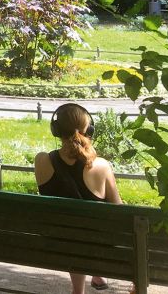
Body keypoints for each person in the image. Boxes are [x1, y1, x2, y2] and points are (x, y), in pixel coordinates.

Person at [34, 103, 125, 294]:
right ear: (89, 130)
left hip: (56, 241)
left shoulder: (41, 160)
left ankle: (81, 289)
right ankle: (97, 273)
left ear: (56, 130)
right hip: (95, 243)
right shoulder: (101, 166)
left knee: (72, 227)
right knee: (94, 224)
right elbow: (119, 211)